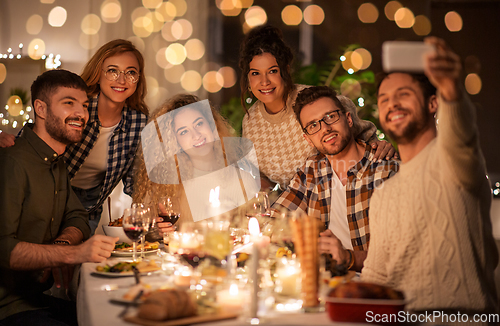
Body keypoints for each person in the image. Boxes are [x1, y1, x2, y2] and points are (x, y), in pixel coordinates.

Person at [361, 37, 498, 314]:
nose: (392, 104)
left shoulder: (452, 160)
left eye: (403, 94)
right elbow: (377, 278)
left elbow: (459, 134)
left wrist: (451, 89)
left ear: (433, 103)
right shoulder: (383, 195)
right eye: (384, 99)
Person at [0, 70, 117, 325]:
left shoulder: (57, 161)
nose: (82, 114)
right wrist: (73, 254)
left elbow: (77, 216)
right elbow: (3, 249)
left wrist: (62, 244)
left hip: (38, 298)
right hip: (9, 307)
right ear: (41, 109)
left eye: (85, 105)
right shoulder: (12, 162)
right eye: (68, 103)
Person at [0, 39, 149, 234]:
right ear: (98, 74)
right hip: (49, 192)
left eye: (131, 73)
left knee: (77, 259)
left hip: (89, 203)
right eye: (113, 70)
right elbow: (39, 137)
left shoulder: (138, 123)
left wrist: (153, 208)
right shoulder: (79, 108)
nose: (121, 80)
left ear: (138, 79)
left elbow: (136, 182)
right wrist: (11, 145)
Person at [239, 25, 396, 190]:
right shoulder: (250, 122)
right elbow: (260, 179)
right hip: (292, 206)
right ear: (248, 78)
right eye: (255, 73)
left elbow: (368, 142)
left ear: (285, 71)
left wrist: (381, 147)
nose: (264, 82)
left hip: (341, 196)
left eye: (272, 71)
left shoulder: (313, 103)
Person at [273, 86, 399, 272]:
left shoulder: (386, 170)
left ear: (348, 119)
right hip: (323, 284)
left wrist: (348, 258)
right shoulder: (312, 170)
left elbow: (401, 253)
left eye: (330, 116)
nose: (325, 128)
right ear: (308, 139)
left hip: (374, 286)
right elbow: (276, 221)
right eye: (314, 125)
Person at [133, 94, 258, 232]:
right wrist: (156, 231)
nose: (196, 135)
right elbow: (144, 235)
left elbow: (253, 236)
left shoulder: (243, 181)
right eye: (184, 132)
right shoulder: (164, 187)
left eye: (199, 123)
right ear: (175, 142)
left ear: (212, 125)